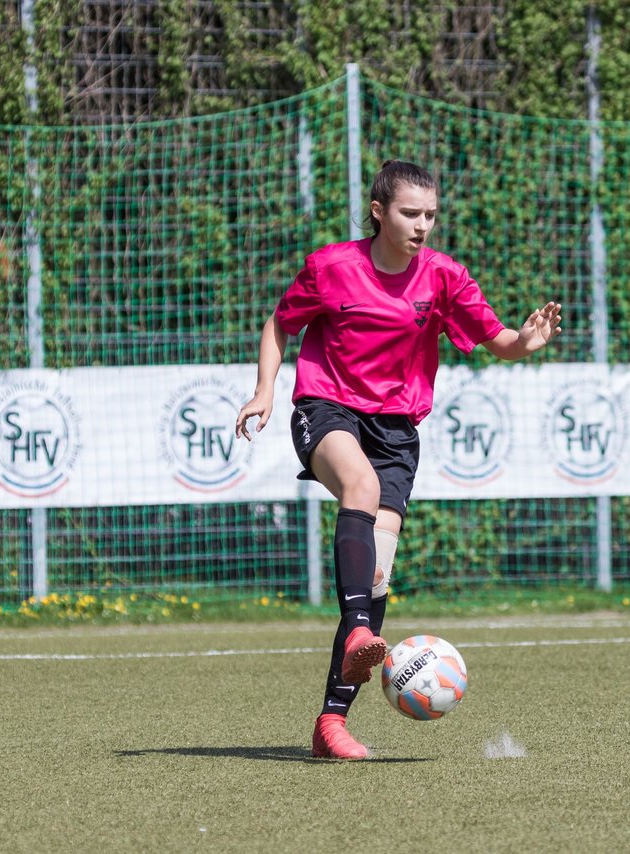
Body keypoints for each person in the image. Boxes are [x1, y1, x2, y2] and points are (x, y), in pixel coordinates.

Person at [234, 159, 563, 760]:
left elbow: (499, 340)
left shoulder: (444, 278)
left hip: (396, 432)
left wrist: (527, 343)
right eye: (411, 213)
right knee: (357, 487)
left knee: (374, 583)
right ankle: (360, 631)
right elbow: (279, 325)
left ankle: (330, 723)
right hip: (326, 407)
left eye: (431, 215)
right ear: (380, 211)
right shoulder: (332, 267)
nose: (423, 225)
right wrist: (265, 389)